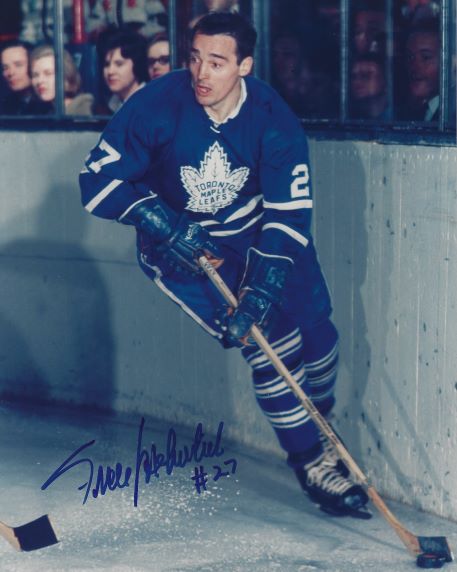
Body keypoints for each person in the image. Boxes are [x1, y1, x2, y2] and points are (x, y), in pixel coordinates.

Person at [79, 12, 370, 518]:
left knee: (319, 337)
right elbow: (96, 182)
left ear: (244, 66)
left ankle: (318, 428)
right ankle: (312, 462)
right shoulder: (157, 104)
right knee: (273, 342)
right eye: (195, 58)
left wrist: (262, 286)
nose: (201, 73)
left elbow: (287, 214)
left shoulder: (272, 116)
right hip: (185, 249)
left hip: (258, 234)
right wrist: (162, 223)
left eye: (216, 62)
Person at [29, 45, 94, 115]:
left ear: (66, 76)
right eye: (35, 75)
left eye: (48, 73)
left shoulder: (82, 112)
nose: (40, 81)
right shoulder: (45, 112)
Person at [97, 28, 148, 114]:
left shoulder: (148, 103)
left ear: (137, 64)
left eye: (119, 64)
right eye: (106, 64)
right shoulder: (112, 103)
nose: (110, 71)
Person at [402, 21, 440, 121]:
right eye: (410, 57)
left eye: (426, 57)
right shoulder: (416, 110)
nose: (414, 67)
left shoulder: (451, 115)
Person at [0, 39, 34, 115]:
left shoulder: (47, 104)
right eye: (5, 68)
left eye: (18, 65)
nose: (10, 73)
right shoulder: (6, 105)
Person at [350, 54, 389, 120]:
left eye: (366, 75)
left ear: (385, 80)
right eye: (354, 77)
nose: (357, 81)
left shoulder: (400, 118)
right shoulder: (350, 118)